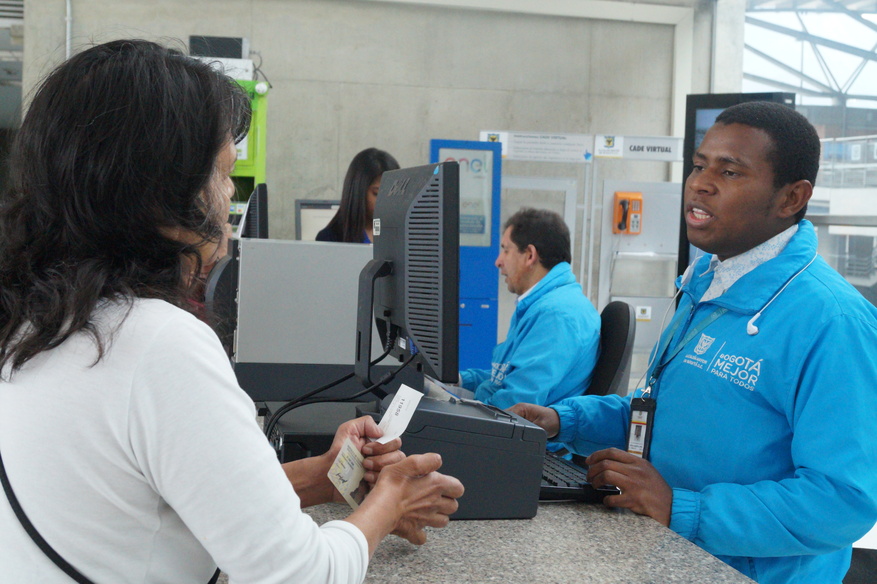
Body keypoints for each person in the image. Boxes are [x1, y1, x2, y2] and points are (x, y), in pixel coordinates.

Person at [0, 39, 463, 584]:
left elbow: (165, 497)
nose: (228, 203)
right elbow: (298, 575)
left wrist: (331, 477)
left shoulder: (37, 325)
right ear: (160, 192)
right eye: (223, 174)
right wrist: (387, 503)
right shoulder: (158, 344)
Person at [510, 101, 877, 584]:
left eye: (730, 171)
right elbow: (659, 414)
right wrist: (564, 419)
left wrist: (681, 508)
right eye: (700, 165)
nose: (700, 183)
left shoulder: (833, 321)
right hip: (665, 552)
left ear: (791, 198)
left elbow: (841, 501)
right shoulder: (706, 280)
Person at [458, 208, 600, 410]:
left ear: (530, 255)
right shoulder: (539, 305)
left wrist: (462, 412)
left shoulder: (556, 315)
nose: (498, 261)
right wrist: (460, 380)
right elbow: (508, 375)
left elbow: (514, 407)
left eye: (506, 250)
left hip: (525, 438)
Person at [316, 148, 399, 243]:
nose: (386, 202)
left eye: (392, 194)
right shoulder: (330, 238)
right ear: (358, 193)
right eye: (377, 194)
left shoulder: (402, 234)